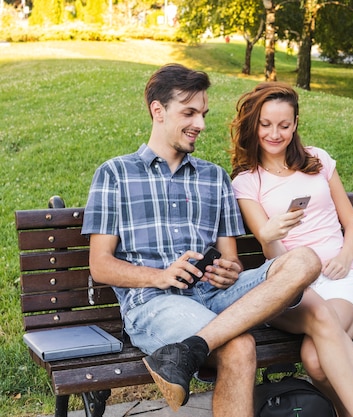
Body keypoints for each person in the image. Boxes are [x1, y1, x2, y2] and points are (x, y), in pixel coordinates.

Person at [81, 64, 321, 416]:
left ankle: (189, 350)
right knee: (239, 347)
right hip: (154, 304)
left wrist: (228, 270)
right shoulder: (116, 173)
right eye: (189, 113)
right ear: (158, 111)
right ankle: (194, 346)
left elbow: (232, 261)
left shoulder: (214, 177)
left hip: (215, 296)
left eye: (203, 114)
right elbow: (100, 265)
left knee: (305, 260)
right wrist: (159, 276)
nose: (201, 124)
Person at [229, 82, 353, 417]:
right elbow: (271, 250)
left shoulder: (318, 160)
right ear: (254, 124)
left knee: (314, 359)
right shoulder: (247, 181)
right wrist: (271, 233)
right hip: (291, 287)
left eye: (283, 125)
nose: (274, 134)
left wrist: (343, 258)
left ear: (295, 124)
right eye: (265, 124)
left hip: (339, 281)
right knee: (317, 355)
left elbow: (352, 225)